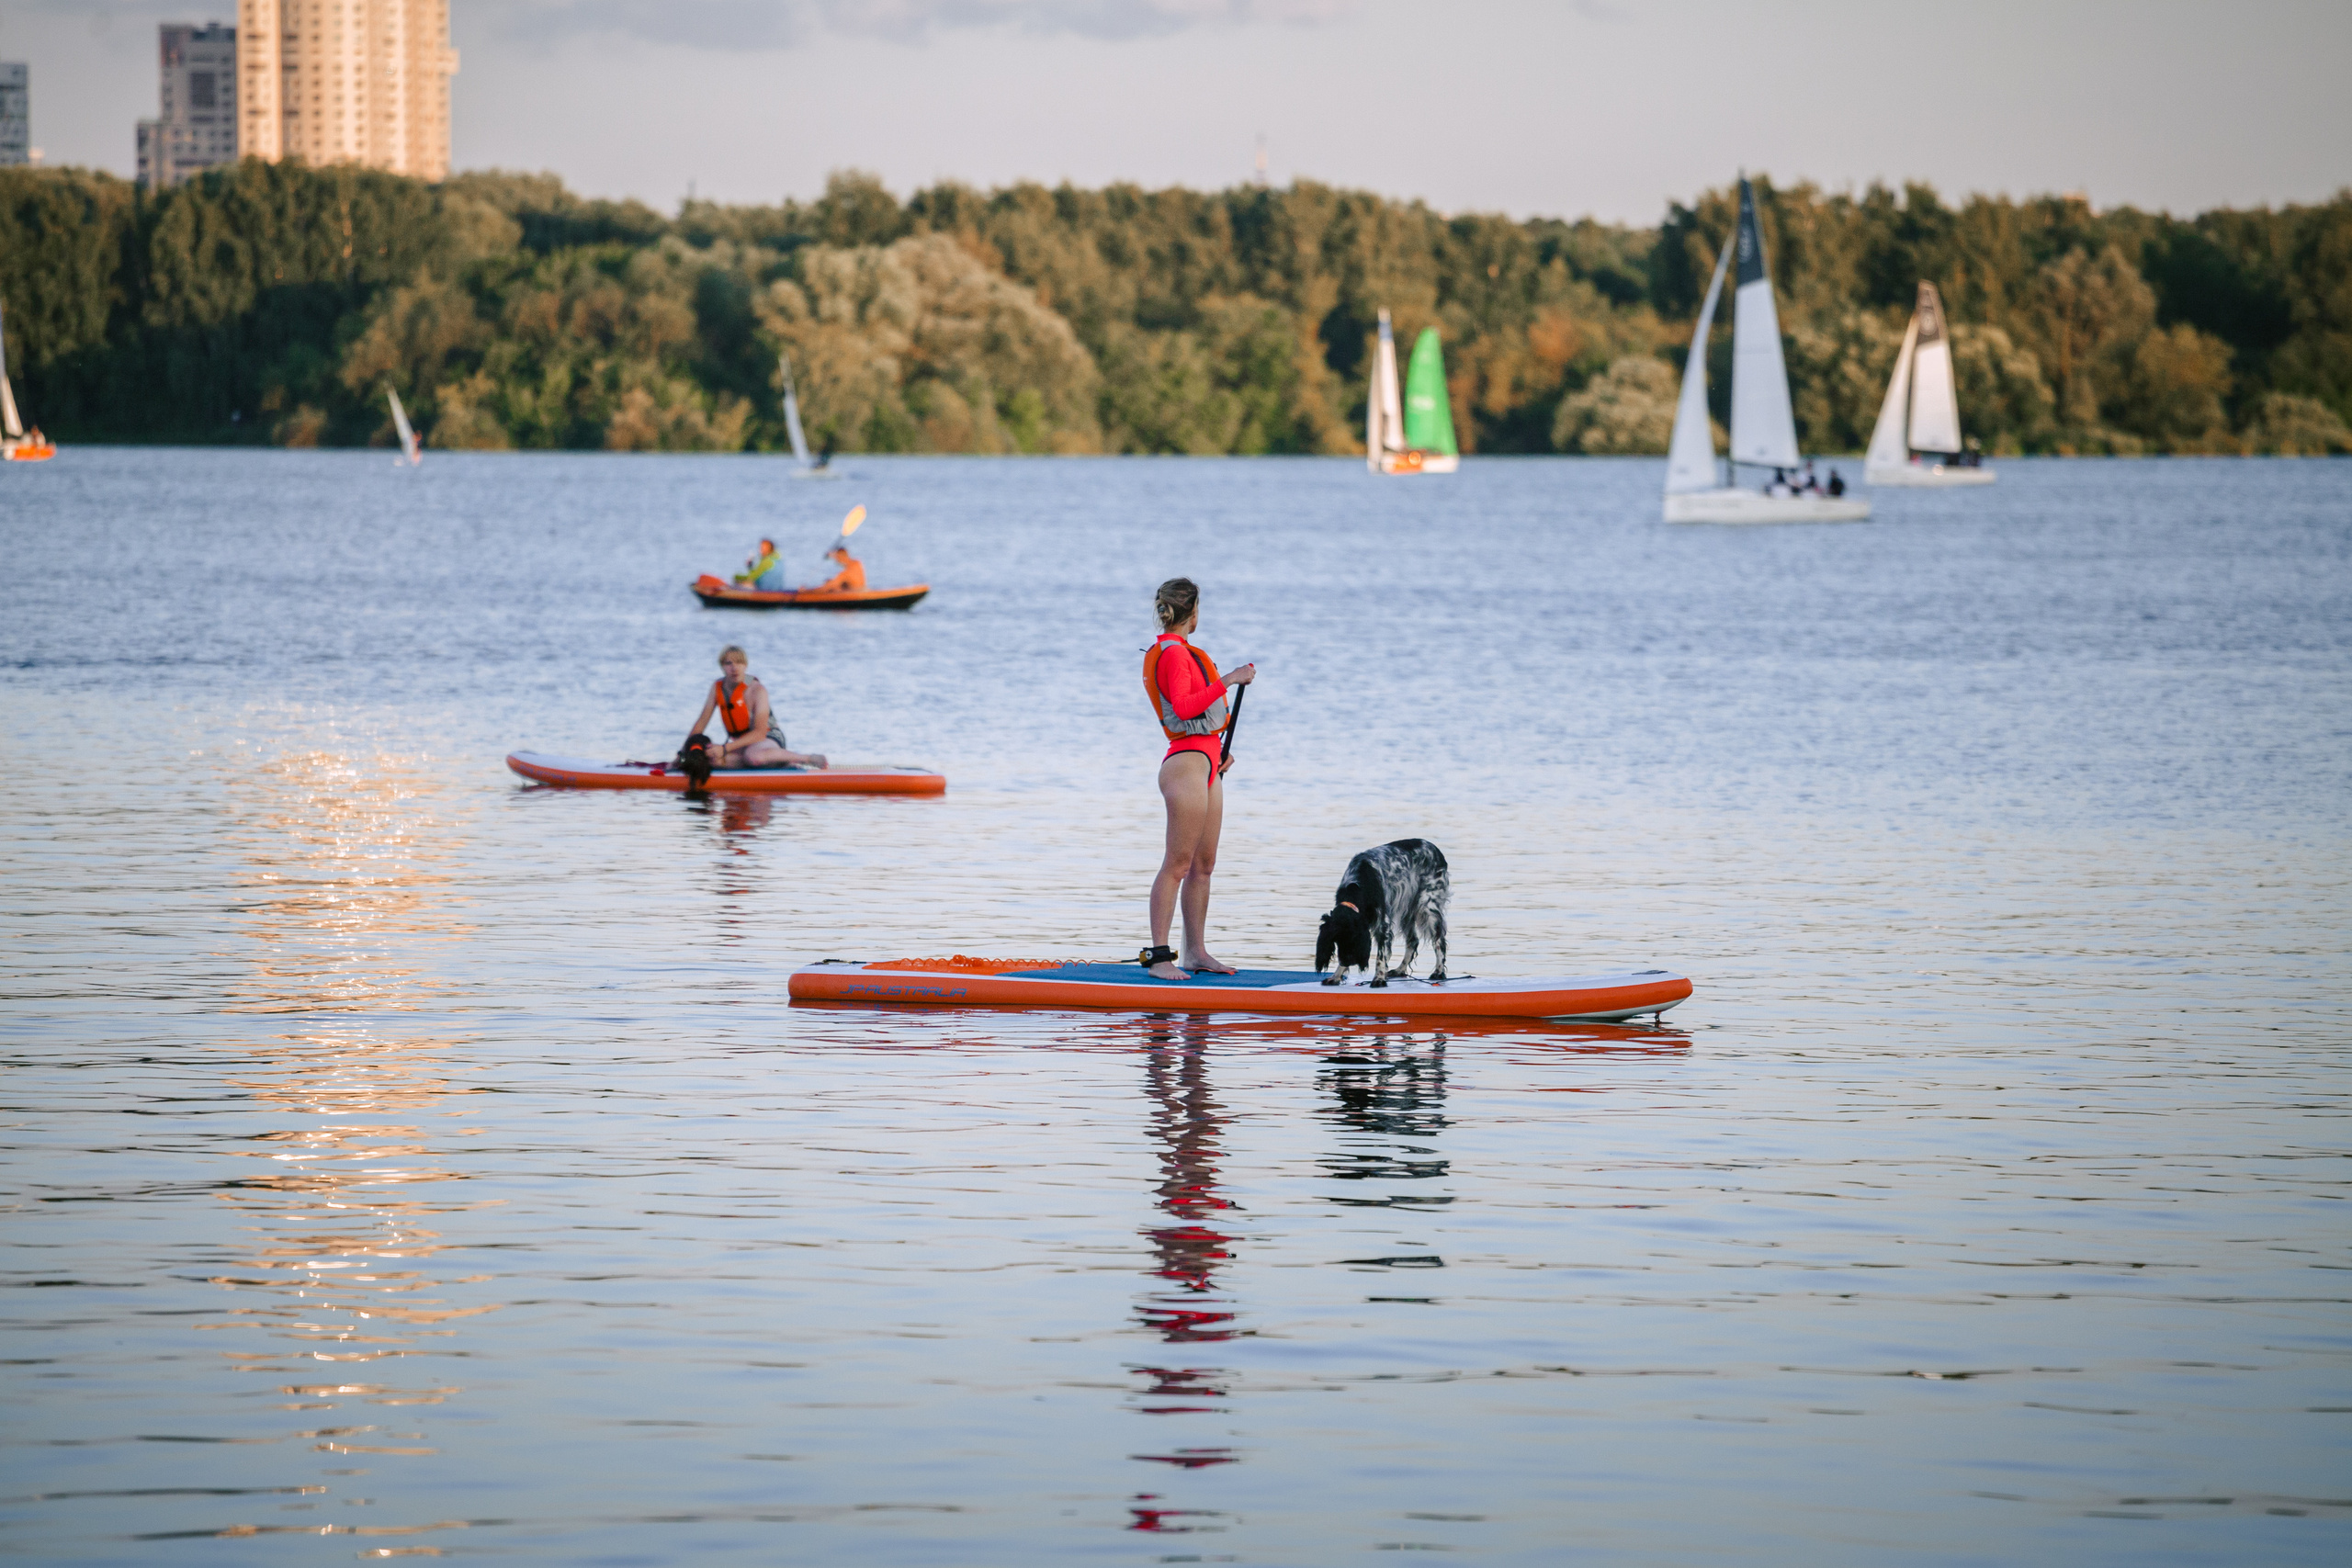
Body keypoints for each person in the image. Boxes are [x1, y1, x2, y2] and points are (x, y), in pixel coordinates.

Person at [1141, 578, 1257, 982]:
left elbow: (1201, 719)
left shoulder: (1186, 653)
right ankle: (1159, 958)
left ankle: (1196, 952)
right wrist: (1230, 679)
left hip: (1207, 760)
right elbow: (1187, 706)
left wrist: (1218, 753)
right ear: (1192, 612)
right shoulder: (1172, 655)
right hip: (1185, 764)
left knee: (1204, 866)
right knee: (1178, 863)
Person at [686, 645, 828, 772]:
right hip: (743, 744)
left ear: (746, 666)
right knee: (712, 758)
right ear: (722, 666)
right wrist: (684, 754)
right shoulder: (717, 687)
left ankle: (805, 758)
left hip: (768, 737)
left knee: (753, 756)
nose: (734, 668)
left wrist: (724, 749)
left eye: (739, 662)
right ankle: (776, 763)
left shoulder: (757, 690)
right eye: (729, 663)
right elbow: (701, 724)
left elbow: (759, 733)